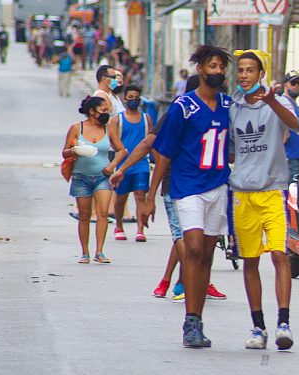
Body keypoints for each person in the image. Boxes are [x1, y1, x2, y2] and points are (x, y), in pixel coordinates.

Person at [142, 45, 233, 348]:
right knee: (192, 248)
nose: (217, 71)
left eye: (221, 66)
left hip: (218, 186)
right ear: (200, 69)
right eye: (212, 66)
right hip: (187, 186)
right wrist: (150, 195)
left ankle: (197, 321)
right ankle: (189, 320)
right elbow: (164, 154)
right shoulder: (183, 107)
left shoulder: (229, 105)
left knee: (206, 254)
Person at [110, 75, 226, 302]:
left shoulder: (219, 112)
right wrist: (125, 170)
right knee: (187, 240)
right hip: (179, 185)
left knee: (190, 238)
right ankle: (193, 281)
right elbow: (150, 146)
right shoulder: (178, 113)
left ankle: (181, 281)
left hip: (207, 185)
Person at [228, 50, 299, 350]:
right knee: (250, 260)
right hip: (242, 193)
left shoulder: (279, 100)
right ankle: (257, 326)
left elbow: (294, 126)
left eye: (250, 70)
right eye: (241, 70)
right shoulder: (231, 106)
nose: (244, 75)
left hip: (273, 190)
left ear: (261, 74)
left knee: (279, 255)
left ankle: (283, 322)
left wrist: (270, 100)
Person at [61, 96, 127, 264]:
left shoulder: (109, 128)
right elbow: (65, 152)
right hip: (80, 177)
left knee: (103, 213)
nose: (106, 114)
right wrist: (74, 151)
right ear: (92, 111)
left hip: (102, 176)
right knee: (84, 215)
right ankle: (85, 252)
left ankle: (100, 251)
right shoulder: (77, 128)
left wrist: (112, 166)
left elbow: (121, 150)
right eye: (103, 110)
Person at [108, 85, 152, 242]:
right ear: (125, 99)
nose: (133, 100)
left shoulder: (146, 119)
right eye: (130, 97)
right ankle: (119, 226)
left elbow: (150, 140)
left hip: (142, 164)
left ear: (140, 100)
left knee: (140, 195)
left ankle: (140, 229)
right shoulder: (116, 120)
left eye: (136, 98)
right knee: (121, 198)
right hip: (122, 165)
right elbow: (113, 142)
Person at [282, 70, 299, 182]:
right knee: (292, 195)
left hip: (295, 159)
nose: (297, 86)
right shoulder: (284, 103)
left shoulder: (293, 105)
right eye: (293, 83)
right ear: (285, 85)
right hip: (289, 160)